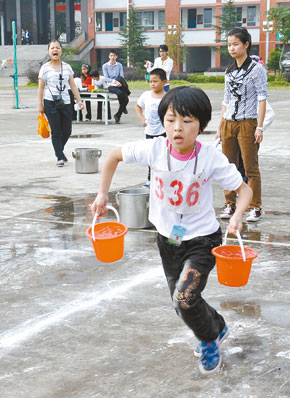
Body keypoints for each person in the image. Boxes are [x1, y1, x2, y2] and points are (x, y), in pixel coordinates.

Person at [91, 86, 252, 375]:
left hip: (203, 239)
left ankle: (209, 340)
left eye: (187, 121)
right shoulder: (153, 149)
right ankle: (218, 326)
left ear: (201, 125)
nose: (177, 128)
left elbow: (244, 190)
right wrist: (102, 195)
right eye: (170, 119)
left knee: (184, 298)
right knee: (181, 303)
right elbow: (113, 156)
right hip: (169, 239)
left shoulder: (210, 158)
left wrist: (238, 214)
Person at [217, 27, 267, 223]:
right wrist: (221, 126)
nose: (232, 48)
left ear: (246, 44)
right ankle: (229, 204)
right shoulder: (229, 70)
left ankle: (255, 207)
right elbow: (226, 100)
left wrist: (259, 126)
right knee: (228, 166)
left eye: (235, 44)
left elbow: (262, 98)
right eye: (229, 44)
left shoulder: (257, 70)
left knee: (250, 167)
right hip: (229, 122)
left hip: (248, 122)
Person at [38, 40, 84, 167]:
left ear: (61, 50)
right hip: (50, 102)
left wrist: (79, 100)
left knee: (67, 130)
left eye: (57, 48)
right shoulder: (45, 68)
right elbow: (40, 88)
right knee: (56, 131)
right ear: (49, 51)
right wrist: (40, 104)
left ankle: (59, 150)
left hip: (66, 102)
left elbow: (73, 85)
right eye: (52, 48)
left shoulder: (67, 67)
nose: (55, 50)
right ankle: (59, 156)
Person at [135, 67, 167, 187]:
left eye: (155, 81)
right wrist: (141, 117)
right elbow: (138, 106)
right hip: (149, 132)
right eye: (150, 81)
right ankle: (150, 179)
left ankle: (163, 179)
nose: (152, 84)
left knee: (163, 155)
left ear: (164, 82)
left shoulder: (167, 97)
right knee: (150, 156)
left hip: (163, 132)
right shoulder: (146, 95)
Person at [102, 49, 130, 123]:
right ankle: (122, 107)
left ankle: (118, 115)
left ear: (116, 56)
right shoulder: (105, 66)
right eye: (111, 55)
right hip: (111, 85)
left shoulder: (119, 65)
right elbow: (106, 78)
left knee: (126, 100)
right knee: (120, 94)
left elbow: (121, 76)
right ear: (109, 56)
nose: (112, 57)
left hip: (119, 84)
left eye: (114, 55)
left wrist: (119, 82)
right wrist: (114, 82)